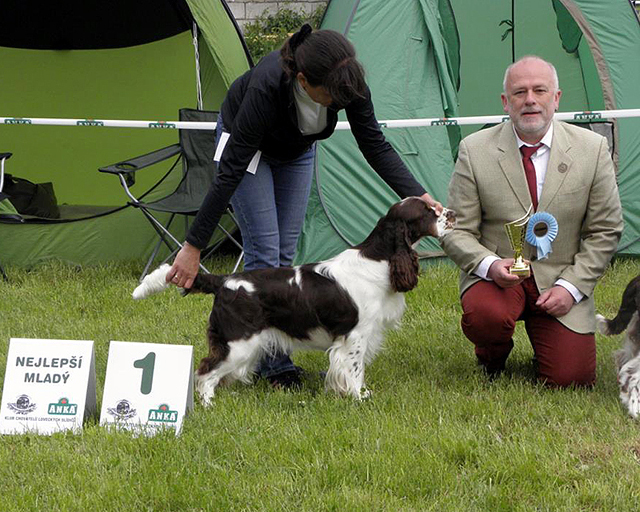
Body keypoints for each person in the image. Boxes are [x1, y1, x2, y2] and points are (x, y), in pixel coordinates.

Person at [166, 24, 442, 388]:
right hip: (249, 152)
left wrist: (418, 195)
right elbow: (229, 172)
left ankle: (279, 349)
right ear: (302, 80)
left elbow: (374, 144)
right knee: (265, 248)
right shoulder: (266, 87)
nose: (339, 103)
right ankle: (275, 366)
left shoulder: (347, 83)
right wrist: (194, 245)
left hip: (296, 150)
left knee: (285, 249)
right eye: (330, 96)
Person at [441, 55, 623, 386]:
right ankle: (492, 353)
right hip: (498, 278)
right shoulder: (474, 150)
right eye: (519, 92)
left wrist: (571, 287)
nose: (529, 100)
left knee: (572, 380)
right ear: (505, 102)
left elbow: (606, 230)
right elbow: (455, 230)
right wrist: (489, 265)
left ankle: (551, 341)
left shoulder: (593, 149)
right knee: (487, 318)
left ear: (556, 98)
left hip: (560, 276)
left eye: (540, 90)